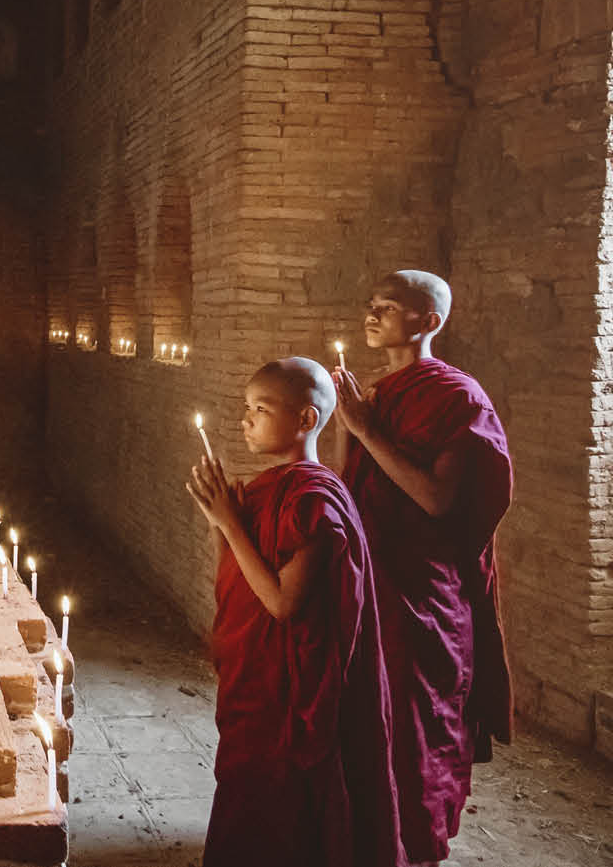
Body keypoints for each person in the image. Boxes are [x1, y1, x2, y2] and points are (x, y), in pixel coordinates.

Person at [187, 358, 402, 867]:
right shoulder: (269, 489)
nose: (246, 420)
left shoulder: (314, 499)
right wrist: (225, 526)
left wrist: (230, 525)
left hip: (293, 692)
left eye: (261, 409)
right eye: (246, 408)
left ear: (306, 420)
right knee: (246, 791)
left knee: (280, 804)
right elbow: (240, 581)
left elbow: (283, 603)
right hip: (259, 680)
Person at [332, 270, 513, 865]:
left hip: (421, 588)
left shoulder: (456, 396)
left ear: (429, 321)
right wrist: (349, 427)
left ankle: (411, 845)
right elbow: (347, 483)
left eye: (389, 306)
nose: (373, 313)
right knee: (358, 716)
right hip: (368, 574)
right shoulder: (375, 394)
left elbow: (436, 498)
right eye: (372, 302)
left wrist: (365, 428)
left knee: (412, 723)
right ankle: (363, 837)